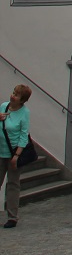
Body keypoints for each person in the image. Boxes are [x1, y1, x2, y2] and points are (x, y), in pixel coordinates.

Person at [0, 84, 32, 229]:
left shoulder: (24, 113)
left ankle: (12, 217)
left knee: (13, 184)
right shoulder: (4, 106)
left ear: (22, 100)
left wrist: (16, 156)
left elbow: (23, 135)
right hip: (0, 151)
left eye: (17, 95)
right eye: (13, 92)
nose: (13, 96)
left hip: (13, 153)